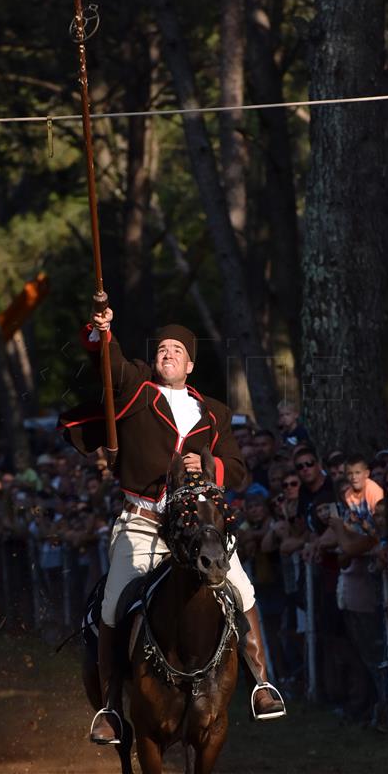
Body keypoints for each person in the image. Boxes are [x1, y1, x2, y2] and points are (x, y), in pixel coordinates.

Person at [61, 309, 285, 744]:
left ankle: (262, 684)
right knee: (113, 602)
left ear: (190, 365)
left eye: (176, 351)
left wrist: (210, 465)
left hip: (199, 529)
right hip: (143, 523)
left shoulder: (214, 411)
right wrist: (102, 332)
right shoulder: (138, 390)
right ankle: (110, 708)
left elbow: (237, 470)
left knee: (243, 589)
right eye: (162, 349)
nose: (167, 354)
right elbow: (110, 364)